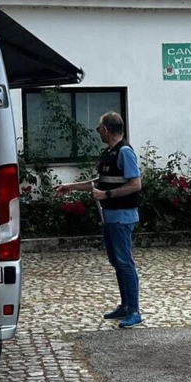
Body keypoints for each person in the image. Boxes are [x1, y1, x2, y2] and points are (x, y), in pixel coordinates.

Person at [54, 112, 143, 328]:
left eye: (98, 128)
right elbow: (101, 181)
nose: (98, 132)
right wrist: (72, 187)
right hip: (110, 217)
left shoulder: (124, 152)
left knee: (124, 262)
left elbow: (135, 184)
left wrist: (106, 196)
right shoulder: (110, 153)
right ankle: (124, 306)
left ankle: (134, 310)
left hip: (122, 217)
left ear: (105, 130)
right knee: (117, 262)